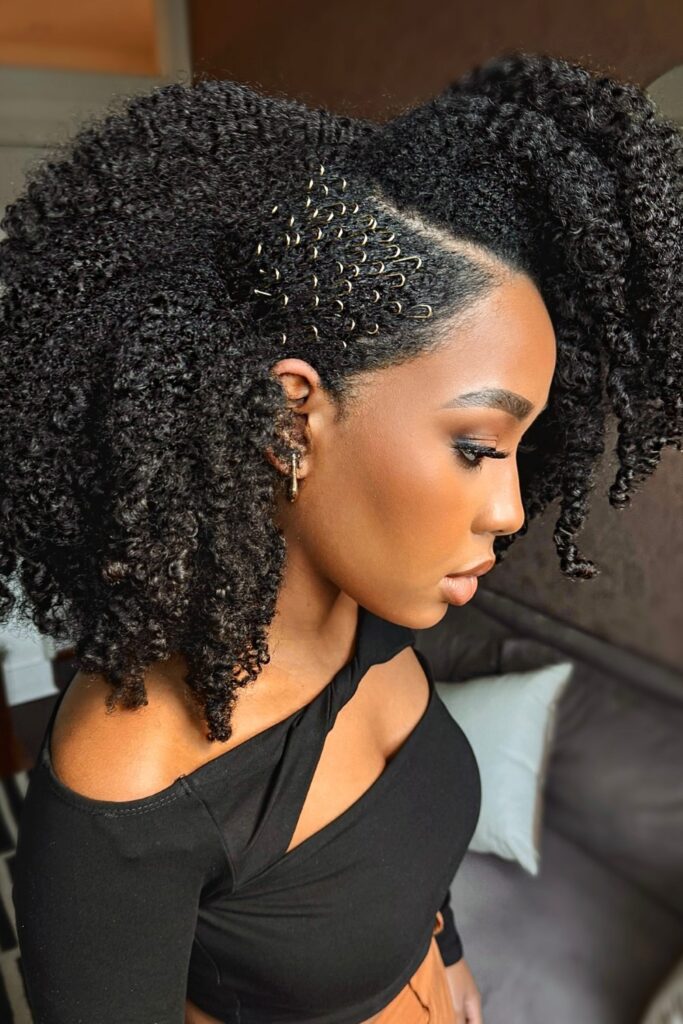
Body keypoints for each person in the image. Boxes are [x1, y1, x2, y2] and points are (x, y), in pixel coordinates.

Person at [2, 49, 681, 1024]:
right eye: (476, 445)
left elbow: (401, 861)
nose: (509, 511)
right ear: (291, 419)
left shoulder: (372, 623)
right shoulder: (131, 783)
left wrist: (446, 956)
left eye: (520, 450)